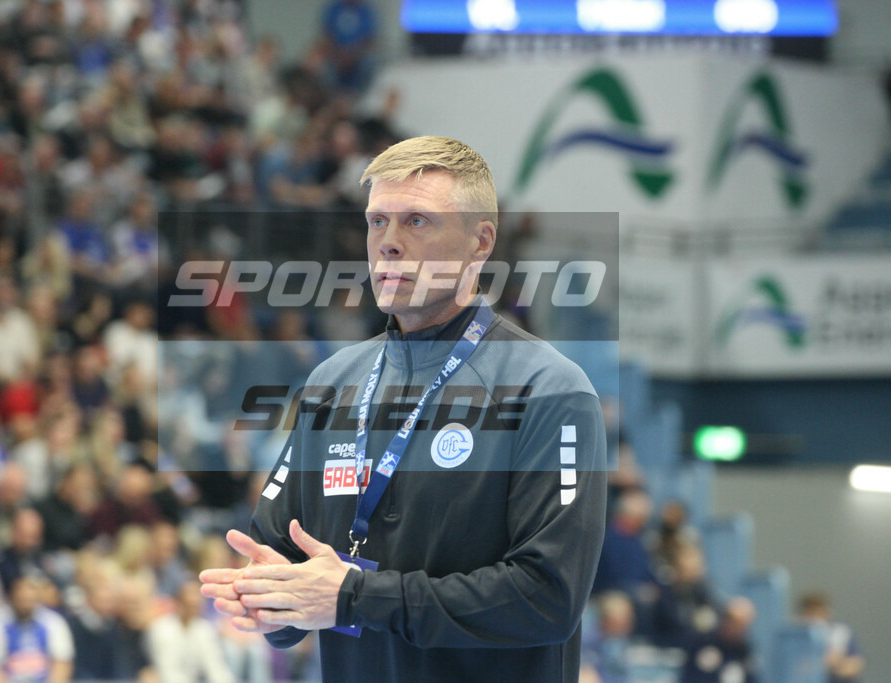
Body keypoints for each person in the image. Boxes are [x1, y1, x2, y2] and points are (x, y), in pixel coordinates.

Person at [201, 136, 607, 681]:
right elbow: (286, 568)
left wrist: (355, 597)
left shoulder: (549, 390)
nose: (388, 244)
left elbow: (547, 598)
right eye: (377, 222)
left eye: (417, 221)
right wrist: (270, 599)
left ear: (480, 242)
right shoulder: (330, 385)